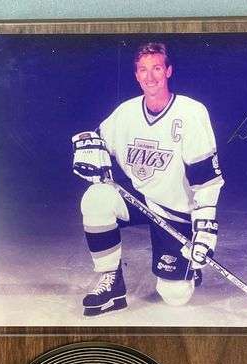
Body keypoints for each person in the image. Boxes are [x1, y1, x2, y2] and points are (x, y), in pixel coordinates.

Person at [72, 42, 224, 316]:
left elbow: (206, 179)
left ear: (168, 71)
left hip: (176, 210)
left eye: (156, 68)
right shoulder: (126, 112)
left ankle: (188, 272)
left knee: (175, 297)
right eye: (143, 70)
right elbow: (97, 141)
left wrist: (204, 229)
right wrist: (88, 154)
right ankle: (112, 282)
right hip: (140, 200)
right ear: (136, 75)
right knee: (96, 198)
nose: (150, 76)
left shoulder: (191, 112)